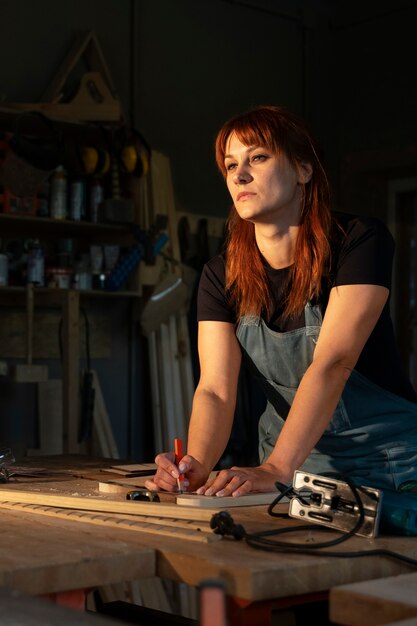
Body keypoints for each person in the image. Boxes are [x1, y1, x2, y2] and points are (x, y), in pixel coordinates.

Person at [145, 105, 417, 498]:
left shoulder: (357, 242)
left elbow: (332, 364)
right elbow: (216, 390)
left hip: (390, 466)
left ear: (303, 170)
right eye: (230, 164)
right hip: (296, 474)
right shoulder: (221, 276)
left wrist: (275, 467)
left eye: (257, 157)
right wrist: (197, 467)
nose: (239, 174)